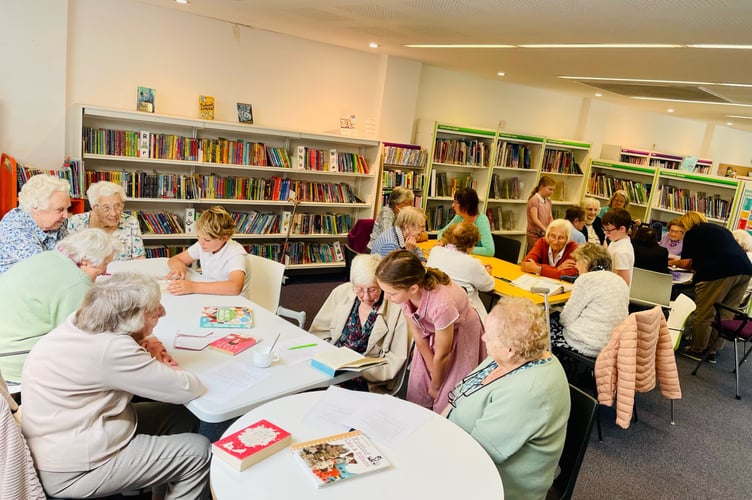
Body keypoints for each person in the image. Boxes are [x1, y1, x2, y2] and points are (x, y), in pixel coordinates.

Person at [21, 273, 210, 499]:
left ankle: (160, 481)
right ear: (134, 318)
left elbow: (115, 348)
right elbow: (187, 388)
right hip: (72, 470)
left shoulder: (81, 320)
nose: (163, 312)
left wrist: (147, 342)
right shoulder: (112, 350)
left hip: (60, 438)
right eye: (154, 309)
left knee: (181, 416)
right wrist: (159, 362)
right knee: (198, 452)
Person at [445, 297, 570, 500]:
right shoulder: (507, 357)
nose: (484, 338)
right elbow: (457, 398)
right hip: (460, 452)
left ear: (510, 349)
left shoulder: (529, 392)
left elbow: (478, 455)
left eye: (489, 335)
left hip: (498, 485)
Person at [0, 228, 121, 383]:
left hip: (5, 355)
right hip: (19, 364)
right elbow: (82, 340)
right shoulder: (76, 282)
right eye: (104, 264)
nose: (104, 271)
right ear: (85, 260)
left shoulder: (49, 257)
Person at [375, 250, 485, 413]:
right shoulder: (404, 294)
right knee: (419, 386)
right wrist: (432, 370)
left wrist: (435, 384)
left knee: (447, 395)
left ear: (413, 288)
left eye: (391, 293)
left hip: (460, 334)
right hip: (432, 331)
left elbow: (443, 354)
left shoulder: (441, 305)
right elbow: (419, 337)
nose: (385, 297)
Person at [310, 253, 409, 393]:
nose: (366, 296)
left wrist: (359, 371)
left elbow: (395, 359)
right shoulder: (341, 293)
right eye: (360, 289)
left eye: (373, 289)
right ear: (353, 284)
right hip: (330, 369)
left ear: (381, 284)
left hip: (366, 379)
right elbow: (318, 332)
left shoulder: (396, 310)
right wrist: (329, 358)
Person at [674, 212, 752, 363]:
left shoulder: (693, 233)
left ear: (686, 224)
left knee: (706, 311)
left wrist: (672, 262)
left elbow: (687, 262)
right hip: (745, 271)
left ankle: (697, 349)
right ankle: (712, 350)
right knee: (726, 312)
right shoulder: (719, 229)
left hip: (718, 273)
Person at [550, 243, 630, 357]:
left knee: (547, 324)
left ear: (585, 262)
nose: (576, 266)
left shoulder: (586, 280)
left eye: (577, 261)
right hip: (611, 345)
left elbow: (566, 319)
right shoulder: (619, 280)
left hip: (586, 344)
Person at [167, 206, 247, 295]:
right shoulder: (203, 244)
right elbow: (175, 259)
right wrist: (179, 267)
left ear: (224, 238)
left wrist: (192, 287)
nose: (201, 242)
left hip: (234, 303)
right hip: (211, 296)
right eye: (198, 237)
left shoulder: (235, 253)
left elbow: (235, 287)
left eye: (207, 240)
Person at [0, 174, 71, 273]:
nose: (66, 215)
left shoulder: (55, 223)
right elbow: (44, 269)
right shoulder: (14, 228)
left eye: (67, 208)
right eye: (60, 209)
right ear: (36, 208)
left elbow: (73, 254)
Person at [427, 221, 495, 321]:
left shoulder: (435, 251)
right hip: (464, 315)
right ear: (471, 245)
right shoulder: (472, 264)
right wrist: (487, 273)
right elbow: (488, 286)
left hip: (433, 309)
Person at [67, 180, 145, 261]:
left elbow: (139, 258)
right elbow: (69, 259)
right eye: (106, 207)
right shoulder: (76, 223)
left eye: (118, 206)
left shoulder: (131, 222)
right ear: (94, 207)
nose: (113, 213)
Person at [437, 187, 495, 256]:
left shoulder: (481, 220)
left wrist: (462, 248)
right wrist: (443, 241)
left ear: (466, 206)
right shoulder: (459, 217)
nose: (452, 205)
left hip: (477, 260)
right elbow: (441, 233)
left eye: (456, 202)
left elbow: (489, 250)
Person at [602, 208, 635, 286]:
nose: (606, 233)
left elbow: (624, 282)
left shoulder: (621, 252)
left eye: (608, 230)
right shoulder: (616, 241)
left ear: (622, 229)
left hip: (615, 294)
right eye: (605, 229)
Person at [526, 175, 556, 251]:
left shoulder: (548, 201)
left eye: (553, 190)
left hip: (544, 235)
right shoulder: (534, 200)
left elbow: (550, 217)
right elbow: (535, 219)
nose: (551, 192)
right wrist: (546, 230)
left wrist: (552, 229)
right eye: (550, 189)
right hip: (534, 235)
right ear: (542, 186)